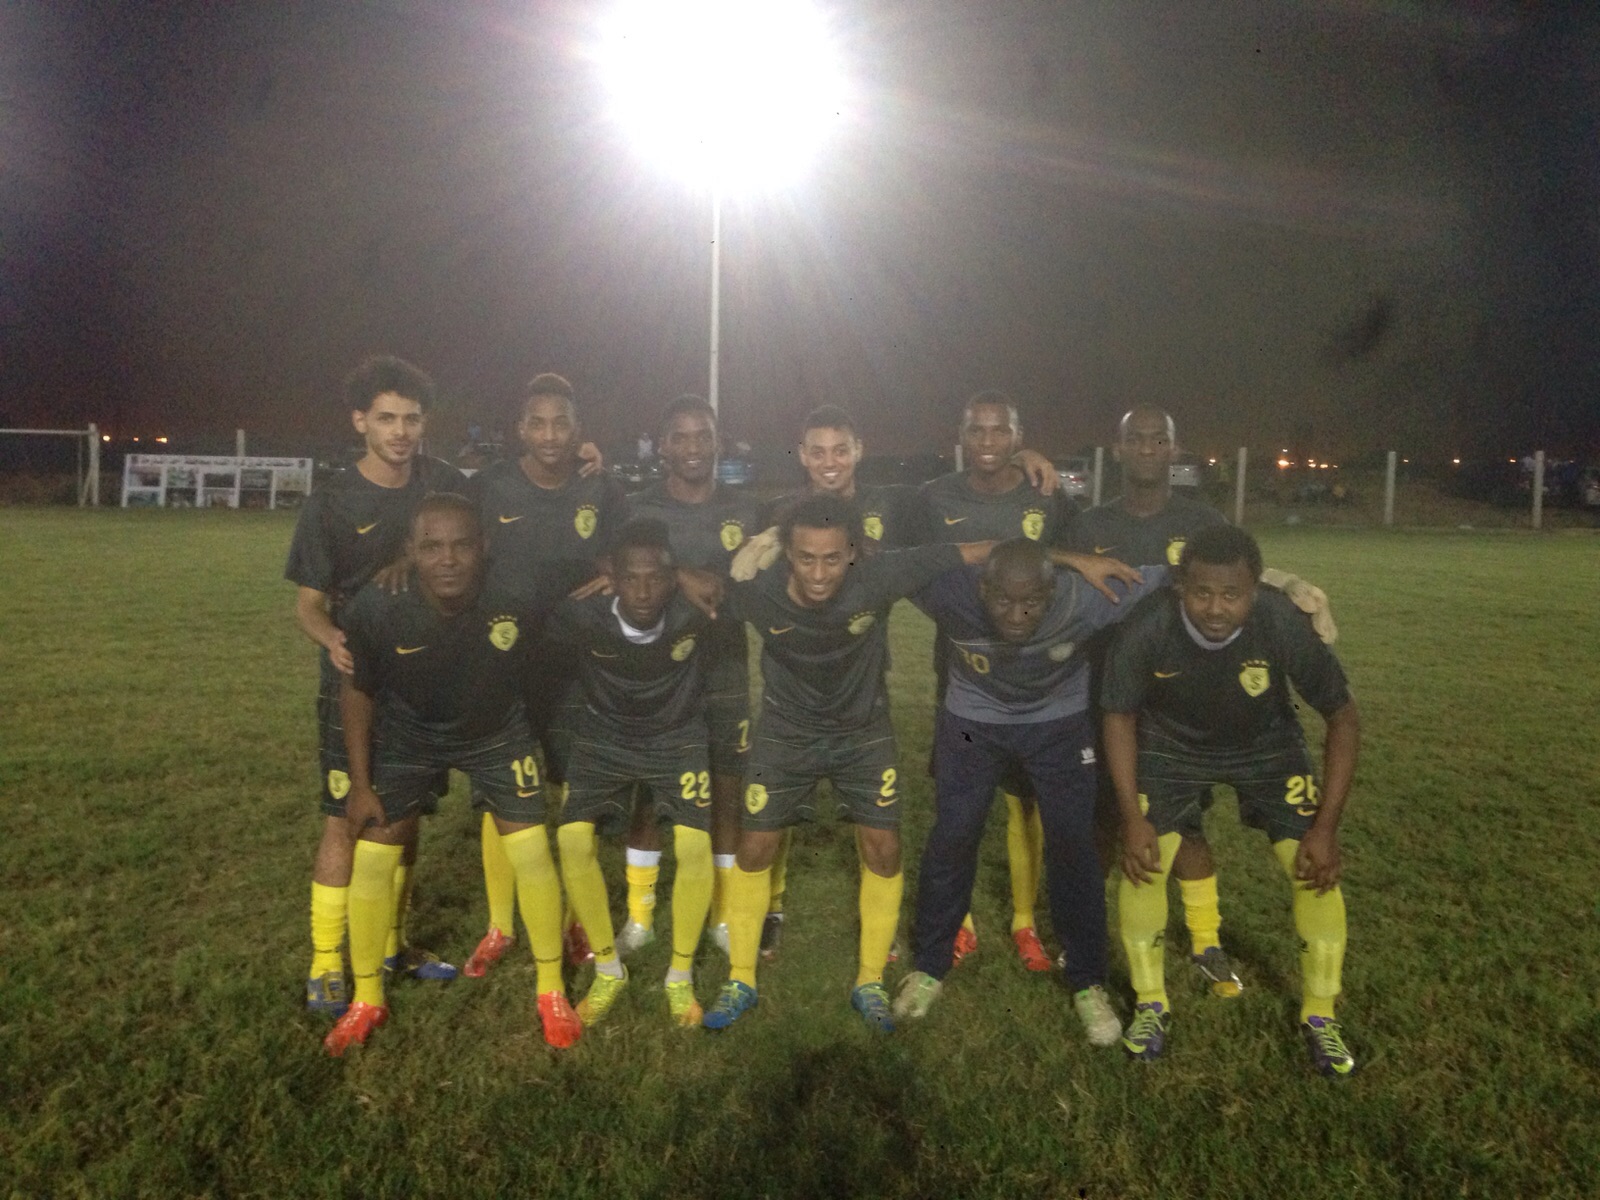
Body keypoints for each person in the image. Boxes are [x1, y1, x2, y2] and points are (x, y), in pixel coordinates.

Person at [741, 404, 1062, 957]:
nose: (829, 462)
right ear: (803, 456)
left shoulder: (893, 503)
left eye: (840, 450)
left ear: (858, 451)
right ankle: (773, 903)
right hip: (792, 687)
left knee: (876, 813)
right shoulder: (776, 511)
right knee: (775, 806)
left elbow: (956, 507)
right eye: (817, 451)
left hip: (863, 679)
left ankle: (885, 918)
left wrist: (1021, 457)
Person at [702, 495, 995, 1033]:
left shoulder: (880, 575)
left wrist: (1073, 561)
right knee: (756, 846)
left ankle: (869, 981)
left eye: (832, 559)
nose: (818, 574)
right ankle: (740, 979)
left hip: (863, 732)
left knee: (884, 848)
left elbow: (976, 550)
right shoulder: (755, 586)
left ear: (854, 553)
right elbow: (681, 577)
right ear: (786, 553)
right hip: (785, 732)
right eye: (806, 558)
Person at [324, 494, 580, 1053]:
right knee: (373, 858)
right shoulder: (377, 606)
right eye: (432, 547)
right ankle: (367, 997)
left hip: (497, 733)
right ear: (410, 552)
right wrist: (361, 785)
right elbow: (357, 690)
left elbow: (596, 567)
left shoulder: (518, 588)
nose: (448, 559)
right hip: (409, 736)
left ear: (484, 546)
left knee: (532, 851)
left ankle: (551, 988)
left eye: (462, 545)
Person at [1102, 525, 1359, 1076]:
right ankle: (1151, 1004)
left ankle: (1320, 1014)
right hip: (1170, 746)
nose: (1216, 608)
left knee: (1311, 867)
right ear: (1180, 586)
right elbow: (1119, 716)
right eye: (1202, 593)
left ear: (1255, 589)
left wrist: (1326, 828)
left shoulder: (1280, 621)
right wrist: (1131, 817)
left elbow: (1342, 716)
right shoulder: (1148, 624)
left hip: (1267, 746)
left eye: (1232, 594)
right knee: (1146, 863)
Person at [892, 539, 1161, 1045]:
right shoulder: (949, 592)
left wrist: (1282, 583)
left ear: (1052, 592)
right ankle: (929, 966)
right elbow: (881, 560)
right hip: (972, 725)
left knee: (1073, 844)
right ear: (982, 589)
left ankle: (1087, 980)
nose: (1016, 616)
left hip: (1059, 726)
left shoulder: (1087, 597)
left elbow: (1178, 575)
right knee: (953, 836)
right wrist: (776, 542)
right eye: (1002, 601)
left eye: (1032, 603)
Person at [285, 355, 463, 1018]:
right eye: (387, 418)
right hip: (355, 684)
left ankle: (391, 943)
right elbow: (308, 605)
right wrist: (334, 640)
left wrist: (588, 460)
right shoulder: (332, 501)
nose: (400, 431)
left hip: (426, 680)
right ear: (360, 420)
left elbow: (495, 520)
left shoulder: (444, 484)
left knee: (406, 813)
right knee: (347, 817)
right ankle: (326, 962)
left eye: (411, 419)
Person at [1065, 406, 1241, 997]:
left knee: (1184, 820)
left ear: (1173, 449)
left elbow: (1235, 591)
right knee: (1099, 818)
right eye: (1135, 439)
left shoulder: (1203, 522)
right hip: (1099, 693)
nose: (1146, 448)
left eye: (1157, 439)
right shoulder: (1089, 524)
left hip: (1178, 698)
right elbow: (1058, 590)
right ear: (1117, 449)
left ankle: (1206, 941)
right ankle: (1086, 933)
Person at [461, 373, 628, 977]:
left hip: (576, 661)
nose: (551, 435)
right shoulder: (490, 486)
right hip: (502, 658)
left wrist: (615, 574)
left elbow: (630, 553)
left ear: (578, 429)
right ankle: (501, 925)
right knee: (498, 792)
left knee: (574, 787)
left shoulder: (600, 487)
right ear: (520, 429)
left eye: (562, 423)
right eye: (539, 423)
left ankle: (577, 918)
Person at [917, 392, 1087, 971]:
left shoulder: (1046, 494)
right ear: (960, 436)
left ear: (1017, 437)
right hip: (963, 674)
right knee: (958, 806)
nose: (987, 441)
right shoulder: (934, 497)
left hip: (1039, 678)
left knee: (1026, 804)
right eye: (977, 431)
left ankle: (1023, 920)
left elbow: (1077, 563)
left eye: (999, 431)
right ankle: (959, 921)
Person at [547, 519, 718, 1028]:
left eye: (656, 579)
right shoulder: (580, 613)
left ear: (673, 578)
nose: (643, 593)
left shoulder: (695, 608)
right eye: (631, 579)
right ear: (612, 579)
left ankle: (679, 977)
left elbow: (733, 585)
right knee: (572, 840)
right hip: (605, 736)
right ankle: (607, 969)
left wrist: (688, 576)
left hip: (677, 735)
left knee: (694, 846)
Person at [623, 398, 761, 959]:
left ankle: (723, 915)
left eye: (702, 435)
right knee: (649, 794)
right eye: (679, 437)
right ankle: (640, 917)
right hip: (655, 671)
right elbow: (608, 565)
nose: (692, 448)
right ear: (662, 447)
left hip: (725, 666)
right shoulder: (637, 510)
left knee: (727, 789)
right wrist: (679, 574)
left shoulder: (746, 509)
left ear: (719, 442)